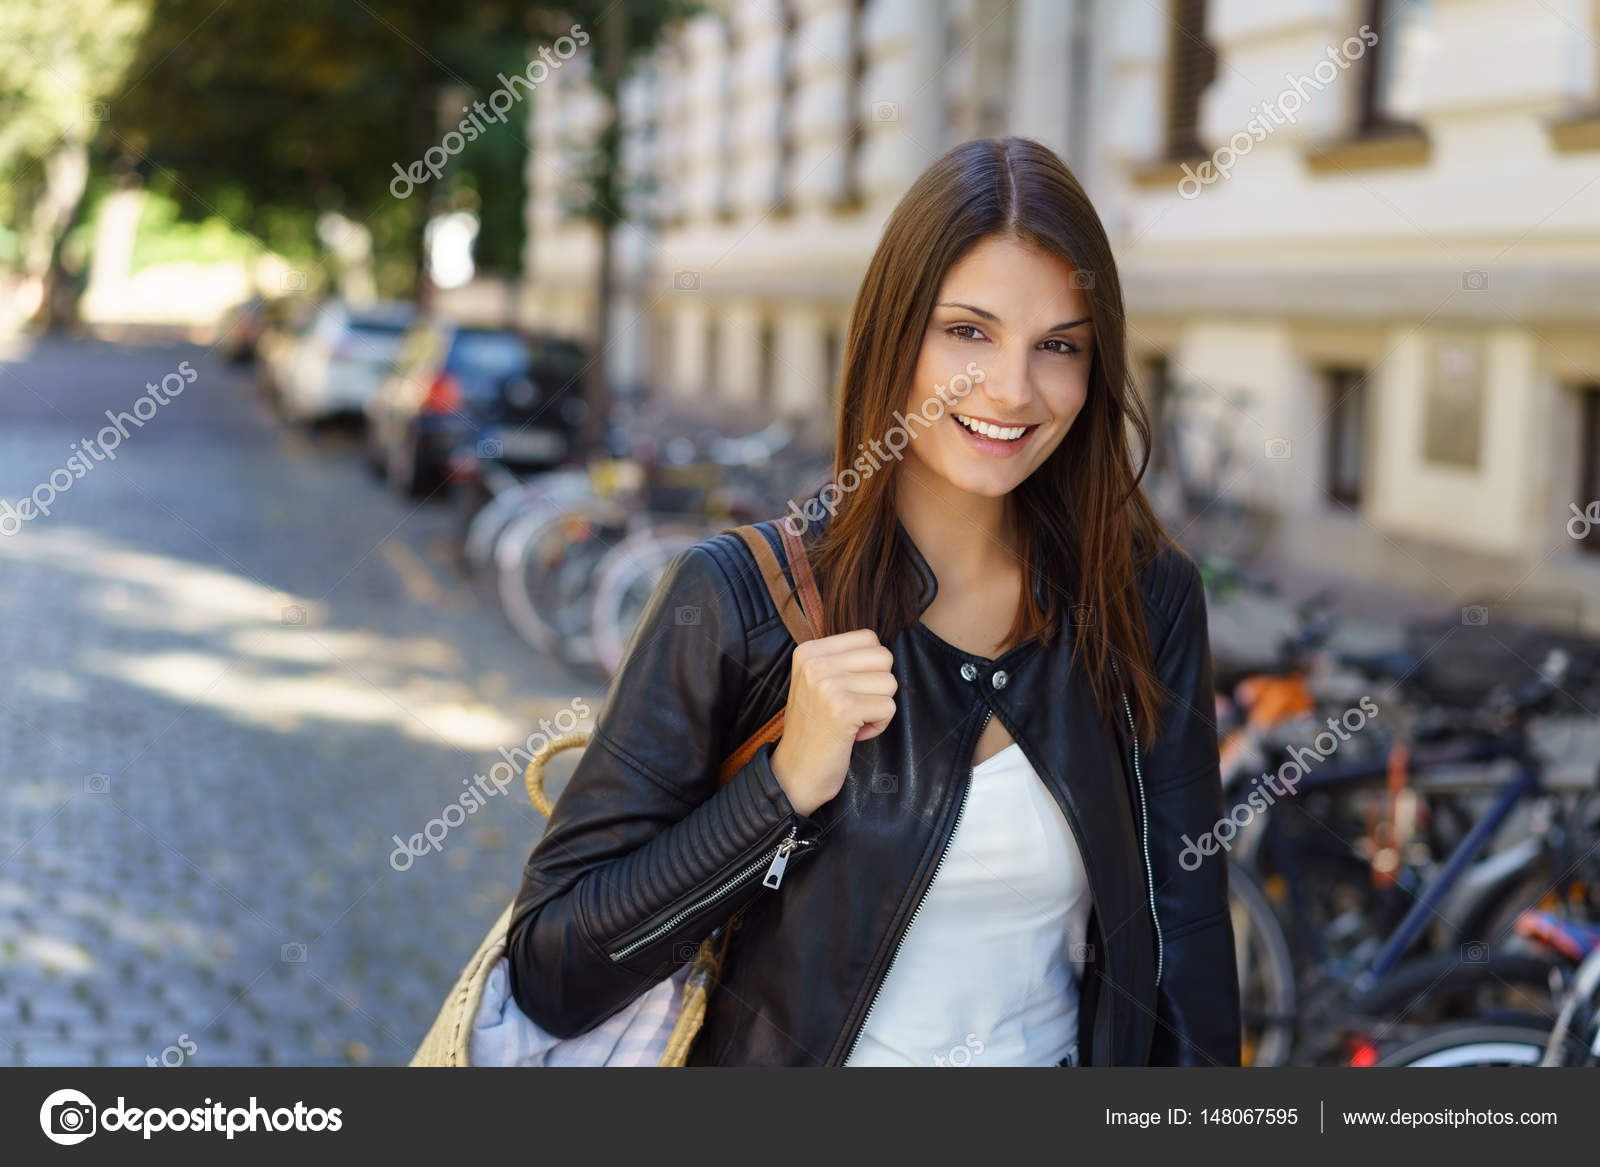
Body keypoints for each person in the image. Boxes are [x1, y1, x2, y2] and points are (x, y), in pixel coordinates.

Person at [505, 136, 1240, 1067]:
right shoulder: (739, 603)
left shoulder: (1141, 599)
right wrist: (779, 791)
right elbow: (551, 969)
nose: (1012, 389)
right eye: (968, 331)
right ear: (895, 333)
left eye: (1058, 346)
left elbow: (1188, 958)